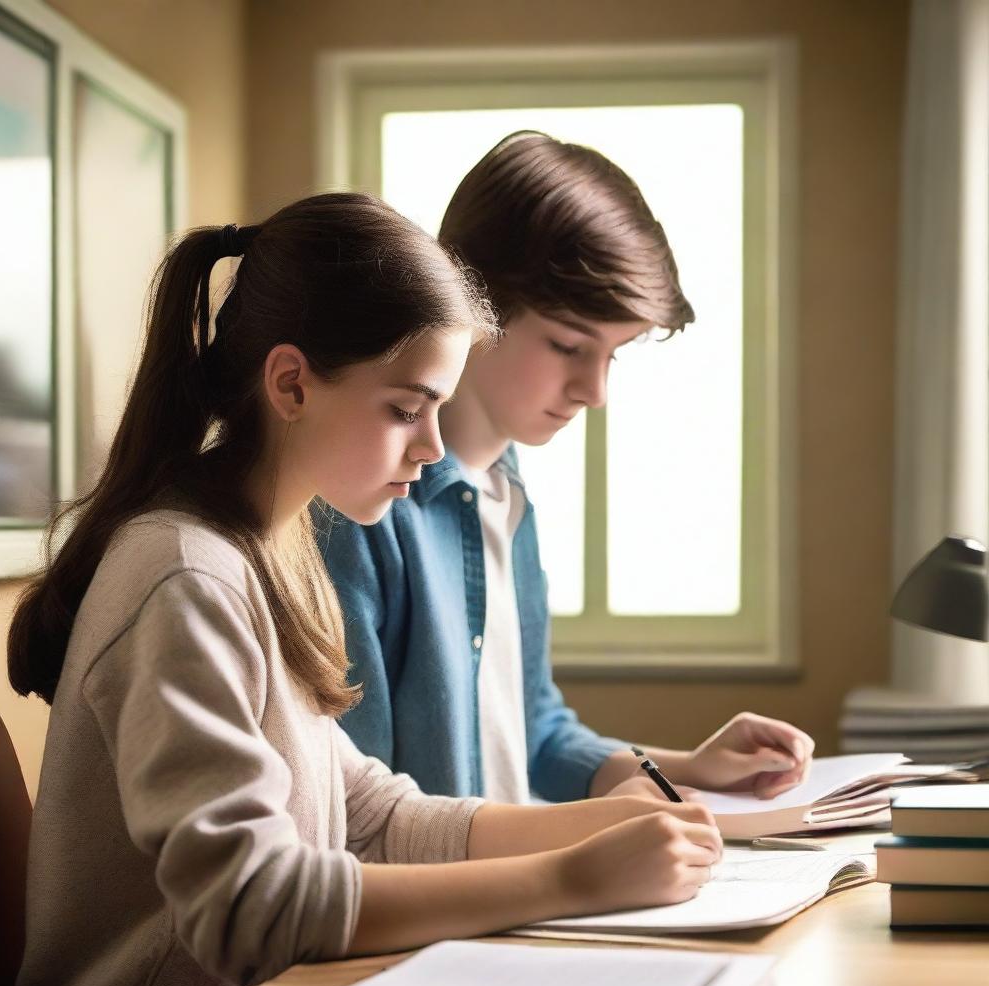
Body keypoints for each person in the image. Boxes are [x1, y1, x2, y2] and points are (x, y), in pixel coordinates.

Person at [6, 193, 721, 986]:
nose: (431, 446)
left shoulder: (271, 553)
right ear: (291, 384)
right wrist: (572, 880)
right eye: (406, 409)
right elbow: (253, 910)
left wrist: (590, 829)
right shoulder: (184, 579)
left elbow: (369, 815)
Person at [322, 131, 815, 807]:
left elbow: (537, 735)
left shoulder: (506, 487)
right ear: (470, 303)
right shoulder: (358, 507)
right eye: (568, 346)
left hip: (503, 897)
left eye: (616, 354)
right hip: (449, 905)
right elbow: (355, 805)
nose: (595, 391)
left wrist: (691, 769)